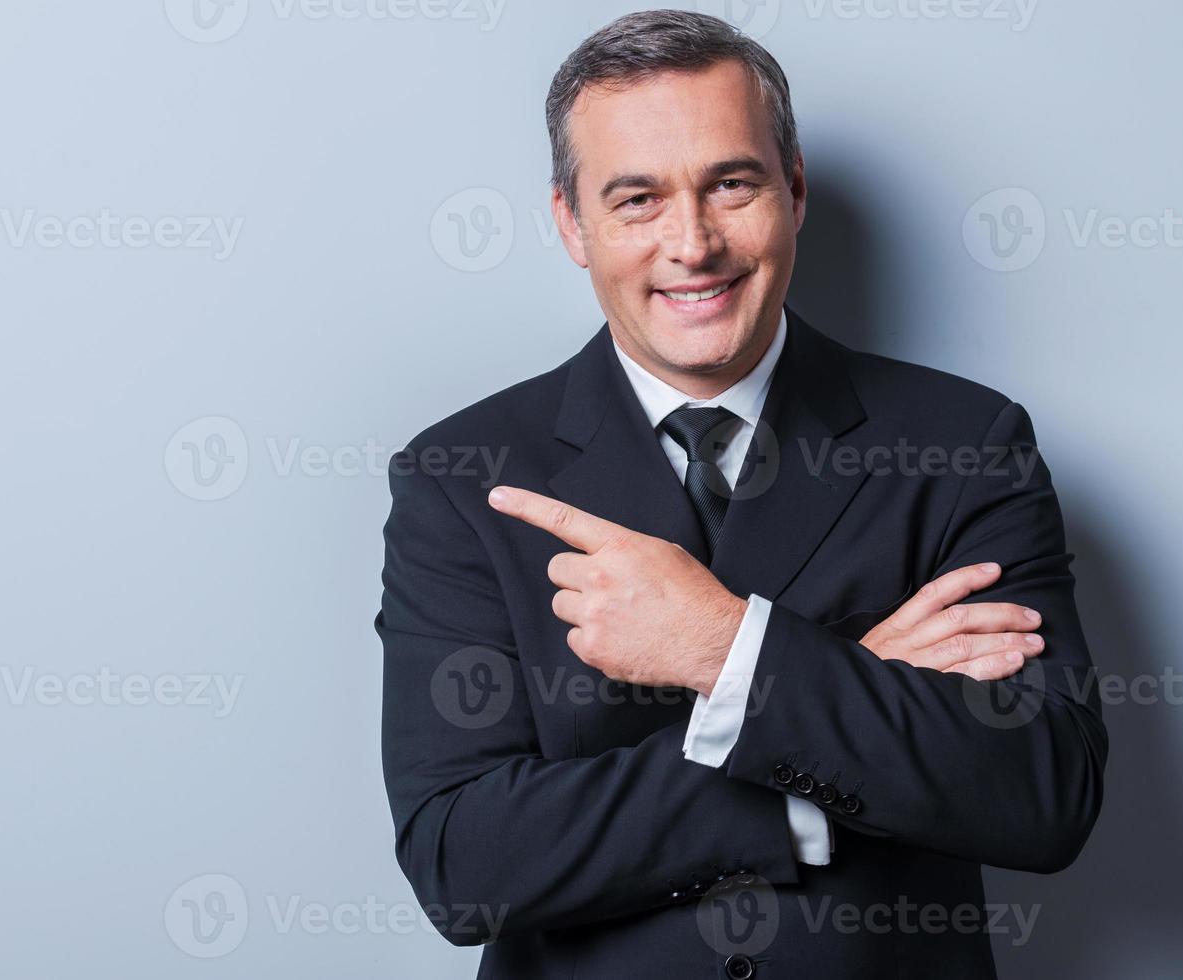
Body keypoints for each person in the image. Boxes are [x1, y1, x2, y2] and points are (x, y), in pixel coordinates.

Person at [374, 10, 1107, 978]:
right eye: (636, 199)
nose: (692, 243)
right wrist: (837, 702)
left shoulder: (962, 442)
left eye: (730, 183)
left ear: (792, 189)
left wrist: (724, 648)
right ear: (570, 223)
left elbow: (1039, 789)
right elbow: (463, 861)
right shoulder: (462, 476)